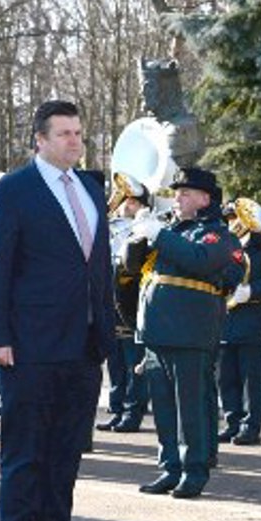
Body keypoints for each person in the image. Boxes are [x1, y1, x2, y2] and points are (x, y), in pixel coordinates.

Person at [0, 99, 114, 521]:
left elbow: (97, 265)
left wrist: (108, 329)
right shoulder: (14, 191)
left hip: (83, 344)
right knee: (25, 455)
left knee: (65, 456)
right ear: (40, 139)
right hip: (29, 345)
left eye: (78, 132)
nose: (75, 141)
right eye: (64, 133)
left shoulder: (91, 189)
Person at [127, 167, 241, 499]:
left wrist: (159, 235)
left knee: (190, 407)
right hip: (157, 330)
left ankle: (194, 471)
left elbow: (199, 261)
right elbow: (132, 267)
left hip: (190, 331)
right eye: (177, 193)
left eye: (185, 193)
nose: (177, 198)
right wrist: (138, 236)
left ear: (205, 199)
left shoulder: (216, 234)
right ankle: (170, 467)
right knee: (164, 407)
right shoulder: (171, 231)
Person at [217, 201, 261, 446]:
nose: (232, 223)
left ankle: (251, 425)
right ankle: (232, 422)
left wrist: (251, 291)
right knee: (226, 376)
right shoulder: (226, 245)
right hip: (226, 319)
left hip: (254, 319)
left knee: (252, 377)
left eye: (236, 218)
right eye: (229, 219)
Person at [99, 175, 152, 433]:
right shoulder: (113, 226)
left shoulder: (145, 229)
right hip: (111, 300)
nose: (125, 205)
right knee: (115, 362)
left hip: (131, 301)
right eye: (125, 200)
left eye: (132, 201)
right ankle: (117, 408)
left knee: (134, 362)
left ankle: (133, 412)